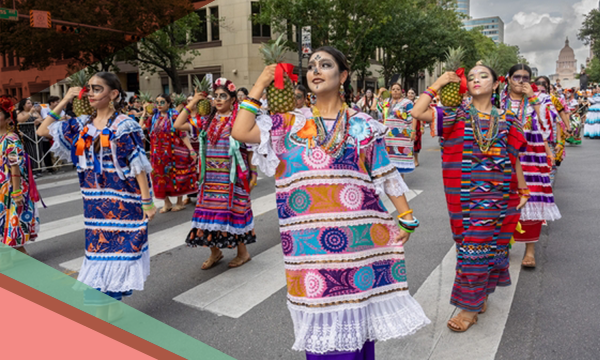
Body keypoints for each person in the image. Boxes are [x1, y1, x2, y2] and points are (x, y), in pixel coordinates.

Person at [232, 46, 429, 359]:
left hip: (358, 242)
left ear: (344, 75)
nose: (316, 71)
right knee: (325, 329)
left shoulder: (363, 124)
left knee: (358, 326)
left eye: (325, 64)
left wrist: (406, 215)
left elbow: (383, 170)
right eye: (311, 66)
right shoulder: (287, 124)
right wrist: (259, 86)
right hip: (308, 248)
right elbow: (240, 130)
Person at [412, 65, 529, 332]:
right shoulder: (456, 114)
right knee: (471, 249)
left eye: (483, 76)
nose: (476, 80)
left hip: (499, 197)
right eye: (472, 77)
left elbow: (515, 158)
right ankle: (477, 299)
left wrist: (523, 189)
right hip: (463, 197)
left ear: (497, 84)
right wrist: (438, 83)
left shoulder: (509, 119)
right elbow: (418, 112)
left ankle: (469, 307)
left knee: (488, 248)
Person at [37, 72, 155, 320]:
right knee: (98, 256)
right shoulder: (81, 125)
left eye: (97, 88)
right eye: (88, 88)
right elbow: (42, 130)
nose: (90, 93)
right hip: (95, 207)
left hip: (125, 204)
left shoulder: (125, 125)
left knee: (121, 257)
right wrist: (66, 99)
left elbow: (138, 165)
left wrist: (147, 202)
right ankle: (108, 311)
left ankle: (106, 314)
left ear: (113, 94)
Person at [173, 78, 256, 269]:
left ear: (233, 100)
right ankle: (215, 252)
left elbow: (250, 149)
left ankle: (243, 253)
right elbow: (178, 124)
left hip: (233, 178)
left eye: (223, 96)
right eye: (215, 97)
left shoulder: (238, 121)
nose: (218, 100)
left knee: (235, 213)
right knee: (208, 215)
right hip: (210, 178)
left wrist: (252, 173)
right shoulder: (206, 120)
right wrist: (193, 102)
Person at [501, 65, 561, 267]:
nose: (521, 80)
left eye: (525, 77)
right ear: (509, 79)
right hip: (505, 158)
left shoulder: (542, 99)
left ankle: (530, 251)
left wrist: (534, 99)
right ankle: (504, 246)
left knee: (533, 199)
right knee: (504, 201)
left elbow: (546, 130)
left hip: (532, 158)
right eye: (516, 76)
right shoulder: (499, 100)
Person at [0, 96, 40, 269]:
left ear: (8, 119)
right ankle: (20, 252)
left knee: (11, 220)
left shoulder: (11, 138)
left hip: (10, 187)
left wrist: (16, 192)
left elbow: (14, 165)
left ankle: (10, 257)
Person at [141, 94, 198, 213]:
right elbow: (141, 127)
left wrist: (191, 149)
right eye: (157, 102)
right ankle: (166, 203)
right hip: (158, 155)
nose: (159, 105)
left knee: (177, 177)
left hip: (175, 153)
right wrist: (144, 113)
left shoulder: (175, 116)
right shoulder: (153, 117)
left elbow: (182, 133)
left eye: (162, 102)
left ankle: (179, 202)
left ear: (168, 103)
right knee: (160, 178)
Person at [380, 83, 417, 175]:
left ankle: (401, 184)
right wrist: (379, 94)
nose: (395, 91)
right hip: (388, 137)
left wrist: (413, 131)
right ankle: (392, 185)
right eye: (393, 89)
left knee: (401, 160)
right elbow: (374, 108)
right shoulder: (386, 102)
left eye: (398, 89)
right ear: (390, 91)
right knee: (389, 161)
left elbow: (414, 116)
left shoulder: (407, 103)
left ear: (401, 91)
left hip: (402, 136)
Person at [15, 99, 44, 176]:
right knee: (31, 152)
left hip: (36, 133)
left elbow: (41, 119)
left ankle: (38, 169)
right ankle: (32, 170)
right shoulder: (20, 112)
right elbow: (20, 120)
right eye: (28, 103)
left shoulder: (35, 112)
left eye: (31, 103)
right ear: (23, 105)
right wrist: (30, 113)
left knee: (38, 151)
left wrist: (38, 120)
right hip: (27, 134)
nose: (30, 104)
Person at [407, 89, 423, 167]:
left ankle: (416, 159)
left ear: (414, 95)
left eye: (412, 93)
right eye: (409, 93)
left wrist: (422, 126)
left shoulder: (417, 104)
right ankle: (408, 159)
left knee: (416, 143)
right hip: (407, 125)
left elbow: (421, 115)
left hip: (417, 125)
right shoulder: (404, 103)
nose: (410, 94)